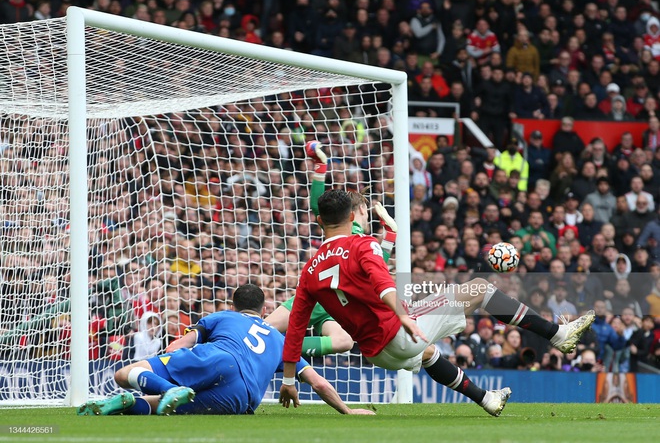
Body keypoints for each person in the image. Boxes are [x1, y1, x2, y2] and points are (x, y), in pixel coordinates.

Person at [280, 190, 595, 417]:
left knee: (429, 352)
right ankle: (558, 335)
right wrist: (402, 315)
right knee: (479, 288)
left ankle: (486, 399)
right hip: (397, 332)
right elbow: (383, 282)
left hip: (375, 353)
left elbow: (295, 326)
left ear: (319, 220)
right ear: (352, 217)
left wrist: (289, 378)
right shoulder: (363, 244)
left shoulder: (309, 270)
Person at [78, 284, 374, 416]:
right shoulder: (280, 341)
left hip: (218, 356)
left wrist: (164, 360)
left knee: (125, 373)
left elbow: (181, 344)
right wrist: (347, 410)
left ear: (234, 306)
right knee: (165, 406)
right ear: (264, 310)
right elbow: (318, 382)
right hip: (241, 397)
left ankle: (164, 388)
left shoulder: (221, 317)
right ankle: (129, 405)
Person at [266, 141, 398, 356]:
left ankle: (278, 350)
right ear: (360, 211)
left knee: (343, 341)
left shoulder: (352, 234)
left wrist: (390, 236)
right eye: (366, 211)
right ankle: (255, 347)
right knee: (264, 330)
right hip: (321, 299)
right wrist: (390, 237)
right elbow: (378, 269)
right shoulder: (353, 234)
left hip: (334, 304)